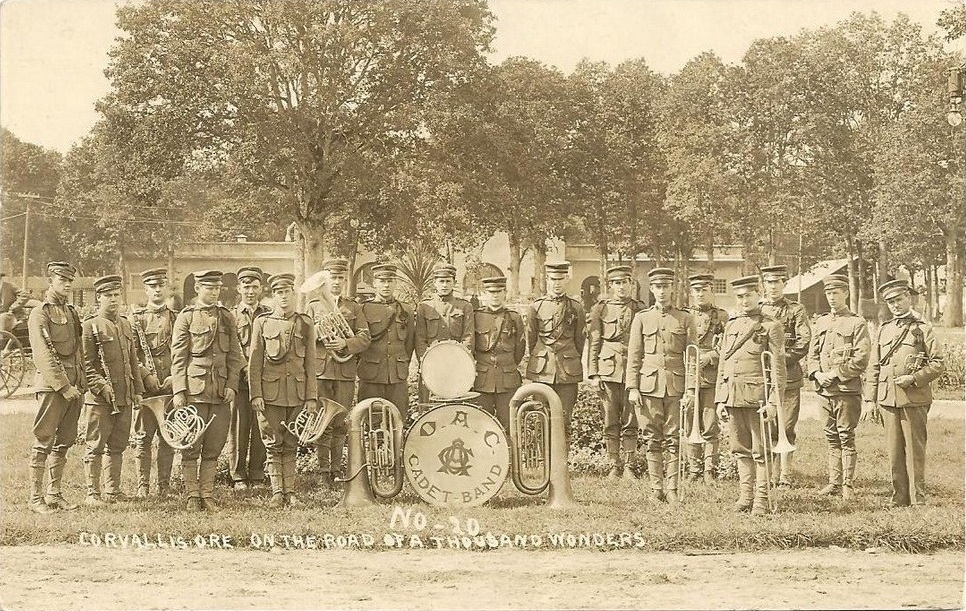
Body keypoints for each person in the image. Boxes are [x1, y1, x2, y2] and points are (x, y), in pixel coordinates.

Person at [863, 279, 945, 507]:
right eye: (890, 302)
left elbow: (938, 363)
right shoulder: (885, 329)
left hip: (914, 398)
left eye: (898, 299)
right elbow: (874, 365)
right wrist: (870, 399)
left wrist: (914, 378)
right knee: (894, 451)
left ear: (909, 298)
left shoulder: (923, 327)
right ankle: (899, 497)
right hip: (887, 399)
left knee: (914, 451)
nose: (895, 305)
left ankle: (918, 499)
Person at [170, 270, 245, 511]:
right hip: (195, 390)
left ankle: (207, 494)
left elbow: (235, 355)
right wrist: (179, 390)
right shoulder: (186, 317)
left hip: (221, 391)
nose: (213, 293)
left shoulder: (226, 317)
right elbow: (179, 357)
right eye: (209, 288)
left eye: (217, 289)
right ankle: (192, 495)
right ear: (198, 289)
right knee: (191, 444)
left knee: (214, 446)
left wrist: (232, 385)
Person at [714, 275, 787, 515]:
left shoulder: (770, 325)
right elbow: (724, 364)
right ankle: (745, 497)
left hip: (758, 397)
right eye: (740, 296)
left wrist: (774, 402)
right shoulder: (732, 324)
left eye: (748, 295)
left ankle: (761, 499)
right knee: (740, 448)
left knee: (761, 450)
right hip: (733, 396)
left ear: (758, 295)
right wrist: (720, 399)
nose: (744, 300)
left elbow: (778, 369)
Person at [626, 268, 695, 503]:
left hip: (676, 387)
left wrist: (692, 389)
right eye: (658, 287)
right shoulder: (642, 318)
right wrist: (632, 388)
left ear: (672, 288)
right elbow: (634, 356)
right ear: (652, 289)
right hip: (648, 386)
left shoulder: (685, 318)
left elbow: (692, 357)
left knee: (674, 438)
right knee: (652, 438)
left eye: (666, 287)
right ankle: (657, 489)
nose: (662, 292)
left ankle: (673, 489)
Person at [249, 273, 318, 507]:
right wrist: (256, 394)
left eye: (287, 292)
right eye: (279, 293)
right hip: (270, 395)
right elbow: (255, 362)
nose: (284, 297)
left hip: (297, 394)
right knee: (272, 443)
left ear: (293, 293)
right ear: (273, 295)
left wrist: (311, 397)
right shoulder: (262, 322)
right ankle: (277, 492)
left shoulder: (305, 323)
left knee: (291, 443)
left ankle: (290, 492)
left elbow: (310, 363)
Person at [26, 261, 86, 513]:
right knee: (44, 440)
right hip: (53, 388)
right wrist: (63, 387)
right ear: (50, 281)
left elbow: (78, 351)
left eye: (70, 280)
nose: (67, 284)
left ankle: (54, 493)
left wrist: (80, 382)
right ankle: (35, 498)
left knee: (64, 441)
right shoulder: (40, 312)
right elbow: (43, 354)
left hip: (75, 387)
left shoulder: (71, 312)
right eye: (62, 280)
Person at [306, 258, 371, 489]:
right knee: (322, 422)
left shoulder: (353, 307)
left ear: (345, 280)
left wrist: (345, 342)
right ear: (325, 279)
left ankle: (336, 470)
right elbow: (303, 337)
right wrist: (320, 335)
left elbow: (365, 338)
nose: (336, 282)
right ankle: (323, 471)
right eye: (332, 277)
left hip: (344, 371)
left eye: (340, 278)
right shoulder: (313, 306)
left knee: (340, 422)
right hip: (322, 372)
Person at [81, 275, 144, 505]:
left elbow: (133, 360)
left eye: (117, 295)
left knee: (117, 445)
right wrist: (102, 387)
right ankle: (92, 493)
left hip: (124, 395)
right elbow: (86, 365)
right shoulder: (90, 326)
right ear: (99, 297)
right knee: (95, 445)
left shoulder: (125, 323)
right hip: (100, 399)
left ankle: (112, 490)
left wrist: (137, 389)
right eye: (109, 295)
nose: (114, 299)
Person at [806, 274, 871, 502]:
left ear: (846, 294)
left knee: (846, 436)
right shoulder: (821, 322)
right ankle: (834, 482)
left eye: (836, 293)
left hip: (846, 390)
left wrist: (834, 374)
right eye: (828, 293)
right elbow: (812, 354)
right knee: (830, 436)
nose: (832, 298)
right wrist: (817, 374)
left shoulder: (857, 323)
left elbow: (862, 358)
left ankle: (847, 484)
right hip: (824, 391)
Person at [587, 265, 644, 479]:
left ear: (631, 284)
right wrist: (594, 373)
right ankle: (614, 464)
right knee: (610, 419)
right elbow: (594, 341)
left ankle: (629, 465)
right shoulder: (600, 309)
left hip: (632, 372)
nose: (622, 287)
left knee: (631, 420)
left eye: (625, 282)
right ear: (610, 286)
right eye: (617, 283)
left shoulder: (640, 308)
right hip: (608, 370)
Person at [759, 264, 811, 488]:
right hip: (761, 377)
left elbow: (803, 342)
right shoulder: (758, 310)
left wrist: (779, 360)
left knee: (787, 426)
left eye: (777, 282)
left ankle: (785, 475)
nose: (772, 287)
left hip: (788, 377)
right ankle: (767, 475)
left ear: (784, 284)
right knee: (765, 426)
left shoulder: (796, 310)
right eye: (768, 282)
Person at [130, 268, 177, 498]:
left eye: (161, 286)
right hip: (147, 389)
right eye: (152, 286)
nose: (157, 290)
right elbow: (132, 354)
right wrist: (145, 376)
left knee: (168, 438)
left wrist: (175, 377)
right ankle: (143, 486)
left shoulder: (177, 317)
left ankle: (164, 486)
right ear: (146, 290)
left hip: (169, 387)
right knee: (143, 437)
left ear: (166, 288)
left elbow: (182, 352)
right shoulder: (136, 319)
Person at [525, 261, 585, 437]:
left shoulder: (576, 307)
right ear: (547, 280)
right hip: (542, 372)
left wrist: (570, 360)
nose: (556, 283)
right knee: (539, 421)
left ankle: (562, 463)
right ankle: (542, 463)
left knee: (564, 421)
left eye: (560, 279)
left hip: (567, 373)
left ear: (566, 279)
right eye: (553, 279)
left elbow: (579, 340)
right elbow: (532, 339)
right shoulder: (536, 307)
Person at [227, 266, 270, 491]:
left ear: (261, 288)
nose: (250, 292)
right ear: (239, 288)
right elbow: (231, 349)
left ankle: (257, 473)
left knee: (262, 426)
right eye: (246, 287)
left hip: (264, 382)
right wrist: (244, 368)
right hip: (240, 382)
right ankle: (237, 475)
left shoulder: (269, 314)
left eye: (254, 287)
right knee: (239, 427)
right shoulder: (231, 316)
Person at [683, 273, 728, 484]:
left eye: (705, 290)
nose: (700, 294)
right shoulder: (684, 316)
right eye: (696, 290)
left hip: (711, 376)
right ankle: (694, 468)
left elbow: (728, 347)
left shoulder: (722, 317)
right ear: (691, 293)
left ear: (712, 291)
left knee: (710, 425)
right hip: (688, 376)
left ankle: (710, 469)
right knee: (689, 420)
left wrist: (710, 357)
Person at [358, 264, 415, 421]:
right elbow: (360, 342)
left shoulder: (406, 310)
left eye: (390, 281)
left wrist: (401, 365)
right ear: (374, 283)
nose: (386, 285)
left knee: (397, 419)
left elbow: (409, 344)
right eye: (382, 281)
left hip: (397, 375)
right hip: (371, 375)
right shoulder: (364, 308)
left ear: (395, 283)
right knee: (370, 420)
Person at [471, 276, 525, 432]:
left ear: (505, 293)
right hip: (482, 382)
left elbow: (519, 350)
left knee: (509, 426)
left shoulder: (514, 318)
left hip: (507, 381)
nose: (495, 295)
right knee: (481, 426)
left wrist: (507, 366)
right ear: (485, 294)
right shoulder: (476, 317)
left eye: (498, 292)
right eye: (491, 292)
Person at [415, 263, 474, 405]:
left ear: (454, 282)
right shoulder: (424, 307)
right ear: (435, 283)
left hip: (456, 367)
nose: (444, 285)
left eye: (448, 281)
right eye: (441, 281)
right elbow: (420, 339)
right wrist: (427, 363)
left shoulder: (465, 307)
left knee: (455, 408)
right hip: (431, 368)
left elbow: (468, 337)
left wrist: (460, 362)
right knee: (429, 408)